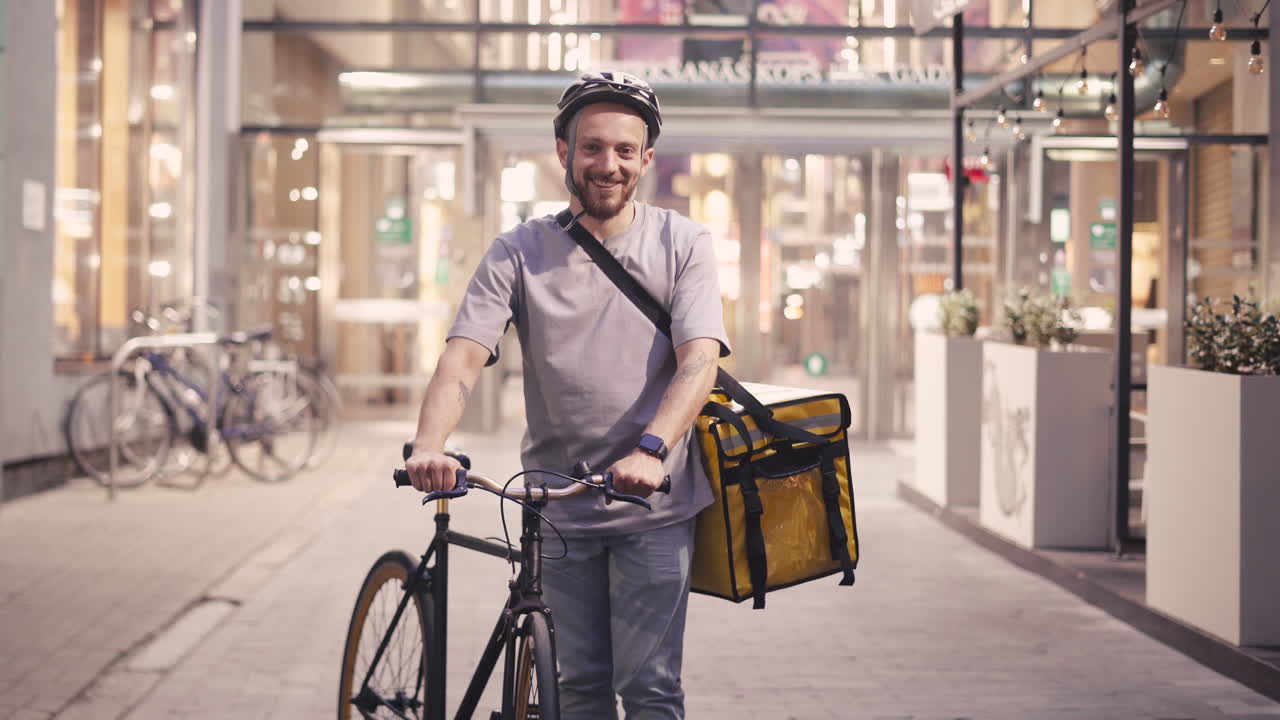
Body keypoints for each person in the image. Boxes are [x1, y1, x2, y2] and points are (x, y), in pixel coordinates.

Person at [403, 70, 730, 719]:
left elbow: (699, 362)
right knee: (579, 688)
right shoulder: (518, 252)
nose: (608, 164)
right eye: (592, 147)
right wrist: (429, 444)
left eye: (624, 151)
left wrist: (651, 450)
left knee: (650, 690)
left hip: (654, 509)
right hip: (557, 509)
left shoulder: (683, 243)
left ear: (646, 160)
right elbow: (464, 357)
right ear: (563, 150)